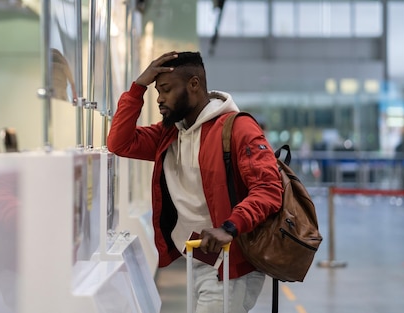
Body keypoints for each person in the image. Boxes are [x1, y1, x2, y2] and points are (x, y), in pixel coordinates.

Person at [107, 51, 283, 313]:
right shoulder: (169, 134)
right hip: (196, 258)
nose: (160, 98)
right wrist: (138, 87)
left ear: (194, 85)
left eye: (166, 89)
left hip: (229, 264)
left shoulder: (237, 129)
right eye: (157, 91)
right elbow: (119, 143)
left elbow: (269, 189)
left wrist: (230, 227)